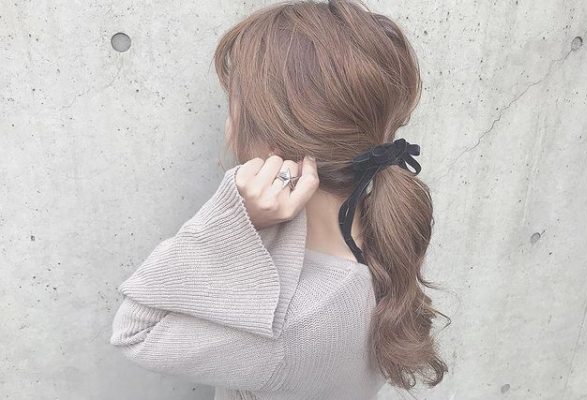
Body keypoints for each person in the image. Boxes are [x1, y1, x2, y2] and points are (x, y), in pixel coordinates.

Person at [110, 1, 449, 399]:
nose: (229, 124)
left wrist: (232, 218)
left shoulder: (294, 327)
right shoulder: (380, 240)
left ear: (275, 145)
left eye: (234, 104)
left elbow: (136, 330)